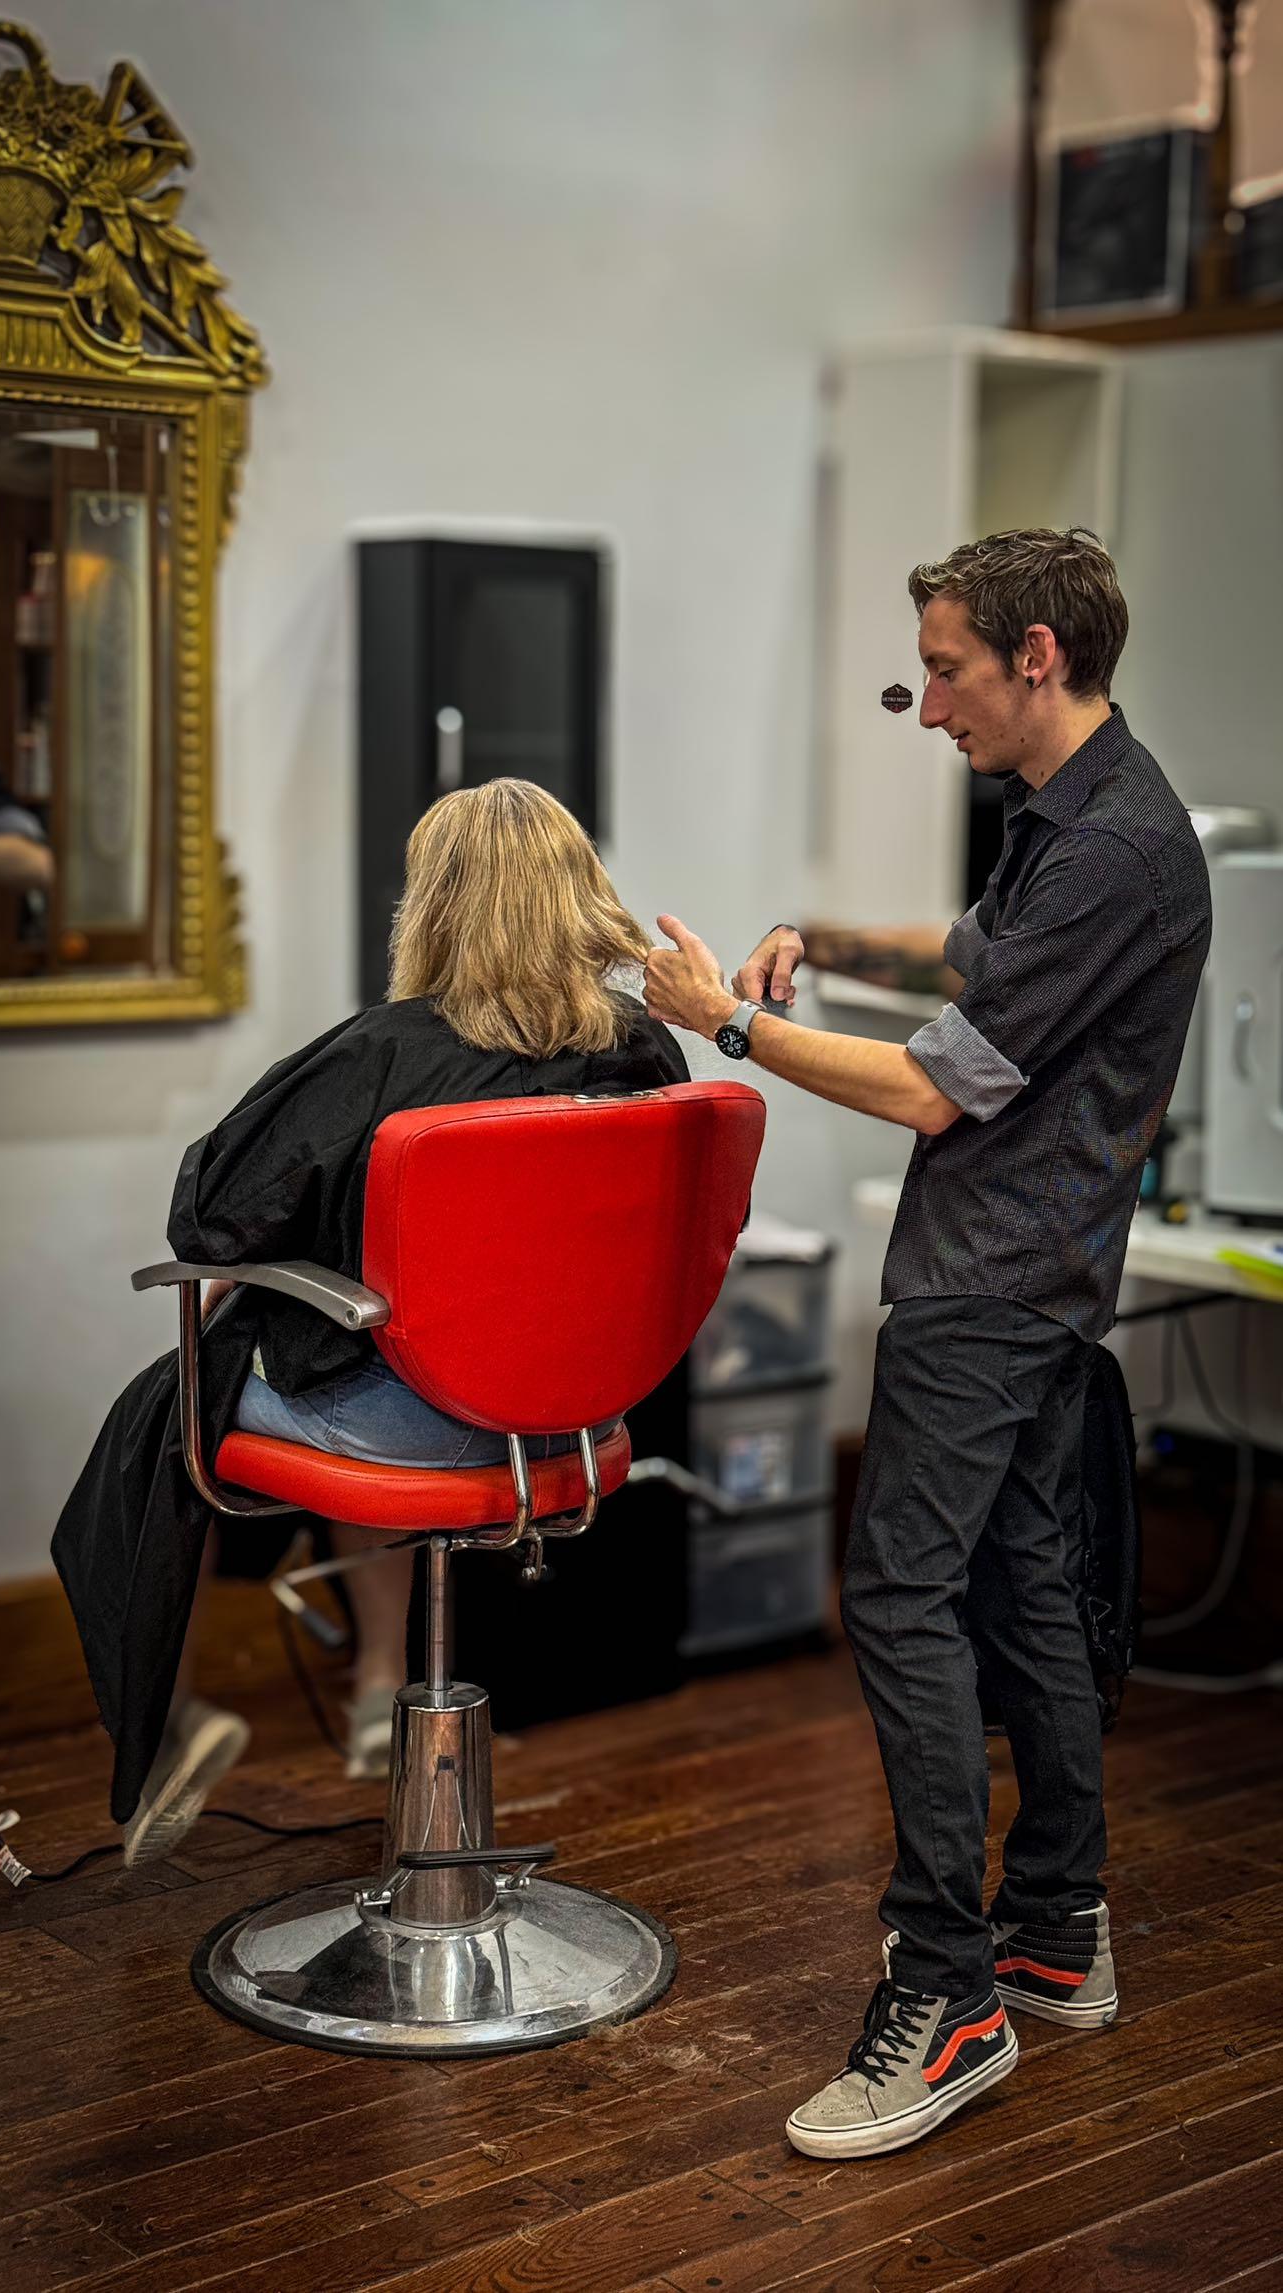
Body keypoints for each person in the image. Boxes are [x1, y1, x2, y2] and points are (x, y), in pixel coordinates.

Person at [644, 527, 1211, 2161]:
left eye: (945, 668)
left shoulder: (1118, 849)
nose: (928, 704)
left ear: (1036, 656)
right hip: (1032, 1266)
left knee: (896, 1589)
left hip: (994, 1278)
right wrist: (825, 944)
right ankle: (1050, 1929)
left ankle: (949, 1992)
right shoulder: (1081, 812)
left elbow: (927, 1083)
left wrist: (732, 1022)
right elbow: (978, 982)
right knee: (1021, 1577)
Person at [54, 779, 687, 1864]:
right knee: (365, 1347)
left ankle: (166, 1723)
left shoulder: (384, 1052)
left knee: (179, 1400)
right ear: (585, 896)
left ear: (431, 906)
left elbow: (208, 1218)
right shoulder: (646, 1054)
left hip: (422, 1426)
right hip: (576, 1421)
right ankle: (377, 1691)